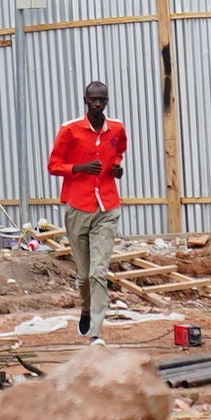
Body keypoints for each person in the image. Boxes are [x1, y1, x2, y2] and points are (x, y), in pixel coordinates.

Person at [48, 79, 130, 341]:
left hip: (107, 206)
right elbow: (53, 166)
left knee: (98, 272)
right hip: (78, 207)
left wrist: (117, 168)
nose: (97, 104)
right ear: (85, 100)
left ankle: (96, 332)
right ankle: (86, 308)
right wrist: (79, 168)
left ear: (107, 100)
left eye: (102, 99)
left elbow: (119, 153)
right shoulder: (70, 130)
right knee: (84, 276)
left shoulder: (116, 129)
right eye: (93, 99)